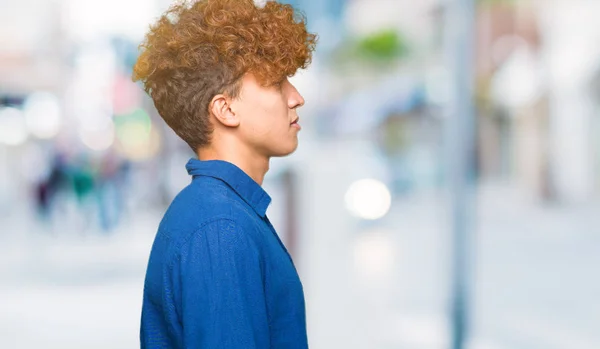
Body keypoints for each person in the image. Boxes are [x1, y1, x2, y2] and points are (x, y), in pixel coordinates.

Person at [132, 0, 317, 348]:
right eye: (277, 83)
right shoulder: (220, 229)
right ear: (226, 109)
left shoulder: (220, 213)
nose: (296, 97)